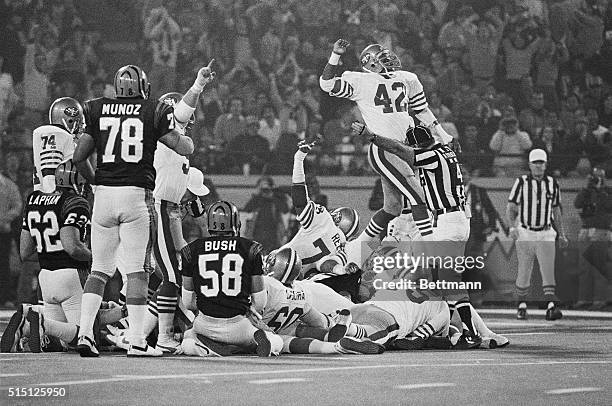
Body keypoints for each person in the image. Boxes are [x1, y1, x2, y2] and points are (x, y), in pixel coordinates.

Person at [72, 64, 200, 357]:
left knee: (99, 269)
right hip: (135, 197)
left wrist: (97, 181)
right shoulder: (153, 110)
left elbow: (79, 156)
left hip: (103, 197)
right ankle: (138, 341)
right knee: (138, 272)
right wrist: (188, 143)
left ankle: (85, 334)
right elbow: (179, 145)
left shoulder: (95, 108)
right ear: (143, 88)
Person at [352, 122, 480, 346]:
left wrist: (372, 136)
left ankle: (459, 331)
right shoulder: (445, 150)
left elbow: (403, 152)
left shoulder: (430, 155)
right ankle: (456, 330)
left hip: (445, 220)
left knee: (438, 279)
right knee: (443, 280)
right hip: (458, 219)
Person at [319, 39, 453, 248]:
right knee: (419, 196)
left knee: (392, 207)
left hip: (408, 148)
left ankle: (360, 247)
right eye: (382, 57)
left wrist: (444, 136)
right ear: (370, 63)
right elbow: (326, 84)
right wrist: (335, 55)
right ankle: (429, 249)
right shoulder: (360, 80)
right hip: (384, 147)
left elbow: (421, 110)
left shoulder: (408, 78)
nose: (389, 59)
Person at [2, 161, 90, 353]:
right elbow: (72, 247)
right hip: (70, 275)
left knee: (56, 340)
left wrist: (48, 253)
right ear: (76, 181)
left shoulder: (34, 198)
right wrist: (96, 260)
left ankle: (25, 324)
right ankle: (42, 323)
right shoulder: (74, 201)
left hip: (46, 277)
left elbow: (25, 252)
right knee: (86, 337)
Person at [151, 87, 212, 354]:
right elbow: (182, 111)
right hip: (160, 207)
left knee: (171, 273)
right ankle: (162, 336)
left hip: (169, 209)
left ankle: (145, 332)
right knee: (172, 276)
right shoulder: (165, 136)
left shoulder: (176, 141)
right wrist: (199, 85)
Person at [180, 201, 283, 357]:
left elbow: (188, 302)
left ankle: (210, 348)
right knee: (277, 341)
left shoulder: (190, 250)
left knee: (187, 341)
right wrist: (249, 310)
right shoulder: (251, 248)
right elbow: (260, 302)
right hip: (239, 325)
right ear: (236, 223)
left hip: (205, 324)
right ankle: (249, 345)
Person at [507, 149, 568, 321]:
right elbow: (510, 208)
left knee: (548, 270)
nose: (539, 166)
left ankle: (550, 306)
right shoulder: (521, 182)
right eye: (536, 162)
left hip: (546, 231)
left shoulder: (552, 183)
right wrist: (512, 227)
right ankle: (521, 305)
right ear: (530, 165)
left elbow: (556, 211)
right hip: (525, 231)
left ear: (546, 164)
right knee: (524, 270)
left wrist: (561, 234)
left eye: (542, 162)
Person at [573, 168, 612, 310]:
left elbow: (608, 205)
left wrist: (600, 190)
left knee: (599, 267)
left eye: (599, 176)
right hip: (586, 230)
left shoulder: (608, 192)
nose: (596, 179)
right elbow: (577, 204)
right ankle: (583, 299)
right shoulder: (587, 191)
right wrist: (587, 188)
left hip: (601, 230)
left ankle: (599, 300)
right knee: (584, 267)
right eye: (594, 177)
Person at [32, 97, 83, 193]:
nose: (80, 127)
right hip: (56, 199)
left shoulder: (62, 137)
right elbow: (50, 173)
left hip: (48, 199)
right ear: (69, 120)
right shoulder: (57, 133)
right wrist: (54, 197)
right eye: (78, 122)